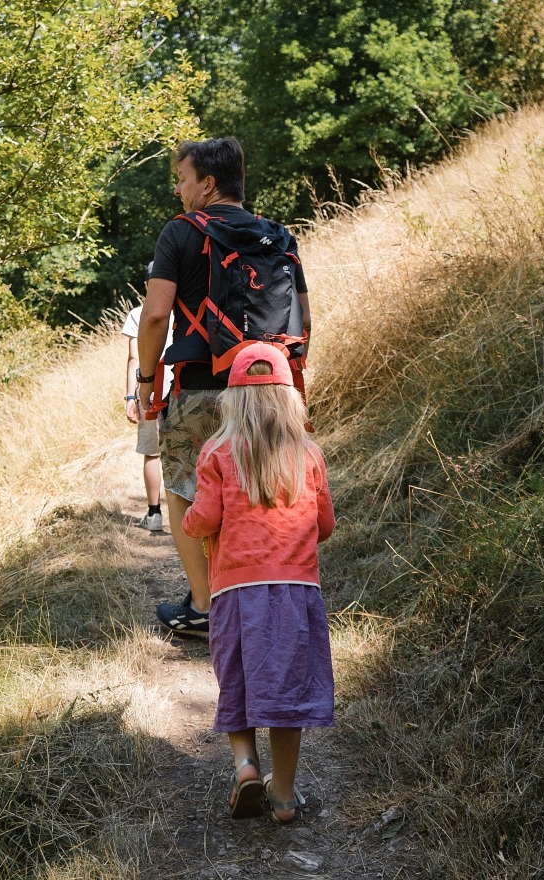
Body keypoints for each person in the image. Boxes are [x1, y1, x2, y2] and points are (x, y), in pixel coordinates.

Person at [134, 137, 310, 637]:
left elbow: (155, 315)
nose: (178, 189)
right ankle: (264, 601)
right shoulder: (278, 236)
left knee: (185, 490)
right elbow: (305, 322)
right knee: (257, 489)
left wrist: (147, 382)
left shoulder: (180, 233)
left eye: (183, 178)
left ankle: (207, 609)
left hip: (201, 388)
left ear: (207, 184)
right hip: (271, 389)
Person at [181, 343, 335, 823]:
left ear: (232, 401)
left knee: (239, 682)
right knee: (287, 692)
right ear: (290, 399)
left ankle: (246, 766)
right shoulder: (309, 454)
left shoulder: (218, 452)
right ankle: (284, 796)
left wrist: (188, 523)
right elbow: (324, 525)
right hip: (295, 592)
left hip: (234, 593)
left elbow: (205, 518)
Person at [121, 271, 173, 532]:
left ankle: (154, 515)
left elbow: (135, 359)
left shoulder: (138, 314)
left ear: (146, 285)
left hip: (150, 389)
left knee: (153, 453)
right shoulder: (186, 310)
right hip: (184, 388)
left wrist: (132, 396)